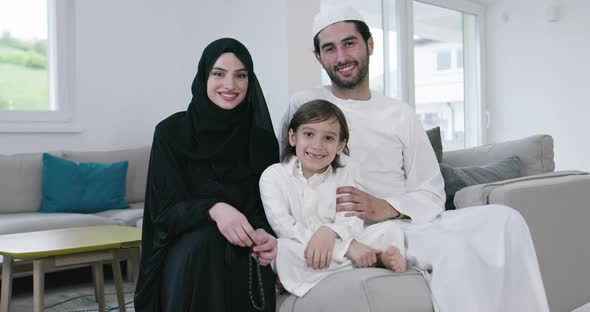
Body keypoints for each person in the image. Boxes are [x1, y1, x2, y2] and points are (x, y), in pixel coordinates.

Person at [280, 6, 550, 312]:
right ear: (319, 58)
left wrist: (388, 206)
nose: (341, 56)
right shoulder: (304, 102)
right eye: (329, 49)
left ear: (370, 44)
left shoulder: (399, 113)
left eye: (349, 43)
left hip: (403, 219)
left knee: (507, 220)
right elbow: (285, 173)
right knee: (454, 247)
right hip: (358, 230)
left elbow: (431, 190)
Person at [134, 38, 279, 312]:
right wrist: (214, 210)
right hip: (190, 250)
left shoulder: (261, 141)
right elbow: (164, 212)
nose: (230, 85)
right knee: (205, 247)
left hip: (244, 249)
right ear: (204, 77)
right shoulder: (170, 133)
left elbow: (266, 207)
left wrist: (264, 233)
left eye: (241, 75)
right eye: (218, 73)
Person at [260, 99, 406, 297]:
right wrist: (346, 248)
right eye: (309, 134)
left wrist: (329, 232)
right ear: (293, 137)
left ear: (340, 145)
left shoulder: (346, 173)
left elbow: (352, 221)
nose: (317, 145)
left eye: (328, 138)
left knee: (389, 229)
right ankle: (370, 259)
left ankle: (304, 277)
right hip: (301, 246)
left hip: (339, 242)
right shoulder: (273, 176)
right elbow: (285, 228)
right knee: (282, 250)